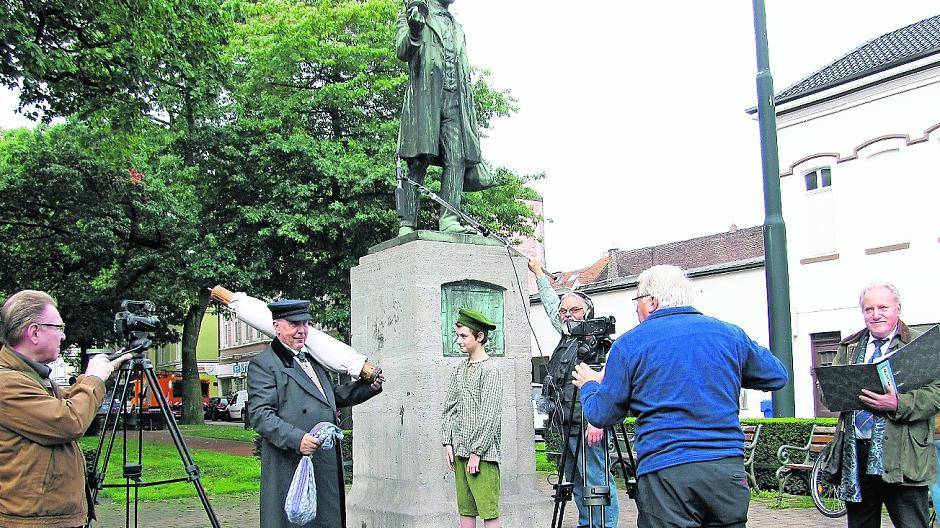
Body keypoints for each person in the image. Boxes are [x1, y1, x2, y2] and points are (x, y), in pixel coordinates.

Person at [572, 265, 788, 528]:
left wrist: (589, 385)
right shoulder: (729, 334)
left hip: (667, 472)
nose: (635, 309)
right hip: (726, 471)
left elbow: (602, 414)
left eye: (637, 300)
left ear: (652, 301)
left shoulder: (630, 344)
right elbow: (776, 375)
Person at [0, 289, 131, 528]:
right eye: (58, 328)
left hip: (44, 516)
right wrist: (94, 380)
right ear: (34, 332)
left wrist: (103, 372)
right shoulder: (7, 383)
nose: (63, 336)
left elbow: (62, 405)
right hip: (33, 521)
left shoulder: (31, 376)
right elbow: (69, 421)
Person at [248, 300, 384, 528]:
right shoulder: (264, 364)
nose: (301, 330)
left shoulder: (312, 359)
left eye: (305, 324)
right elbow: (260, 415)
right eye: (294, 324)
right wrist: (297, 439)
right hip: (291, 461)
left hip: (324, 461)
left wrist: (368, 387)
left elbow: (329, 397)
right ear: (277, 326)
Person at [821, 282, 938, 528]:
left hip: (903, 455)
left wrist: (898, 403)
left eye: (883, 307)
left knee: (912, 524)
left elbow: (936, 393)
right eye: (868, 309)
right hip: (857, 456)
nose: (875, 314)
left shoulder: (919, 345)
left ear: (898, 309)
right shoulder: (849, 347)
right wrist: (831, 390)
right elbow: (829, 393)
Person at [528, 259, 619, 528]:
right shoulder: (567, 337)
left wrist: (596, 421)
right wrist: (537, 274)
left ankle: (602, 524)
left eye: (574, 309)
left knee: (596, 480)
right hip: (565, 423)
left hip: (588, 424)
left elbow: (607, 385)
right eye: (563, 311)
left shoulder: (599, 344)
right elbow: (548, 305)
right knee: (575, 480)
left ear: (587, 312)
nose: (567, 314)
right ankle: (586, 522)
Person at [394, 0, 494, 235]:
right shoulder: (413, 15)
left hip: (455, 102)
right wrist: (415, 30)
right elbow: (402, 51)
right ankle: (407, 223)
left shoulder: (457, 27)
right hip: (425, 101)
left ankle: (449, 219)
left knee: (456, 159)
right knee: (418, 162)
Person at [441, 308, 502, 528]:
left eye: (464, 336)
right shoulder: (460, 369)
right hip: (460, 451)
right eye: (458, 335)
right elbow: (450, 407)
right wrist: (448, 442)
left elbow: (490, 416)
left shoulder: (490, 371)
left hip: (483, 456)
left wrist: (477, 452)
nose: (459, 341)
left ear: (480, 337)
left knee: (489, 511)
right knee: (466, 511)